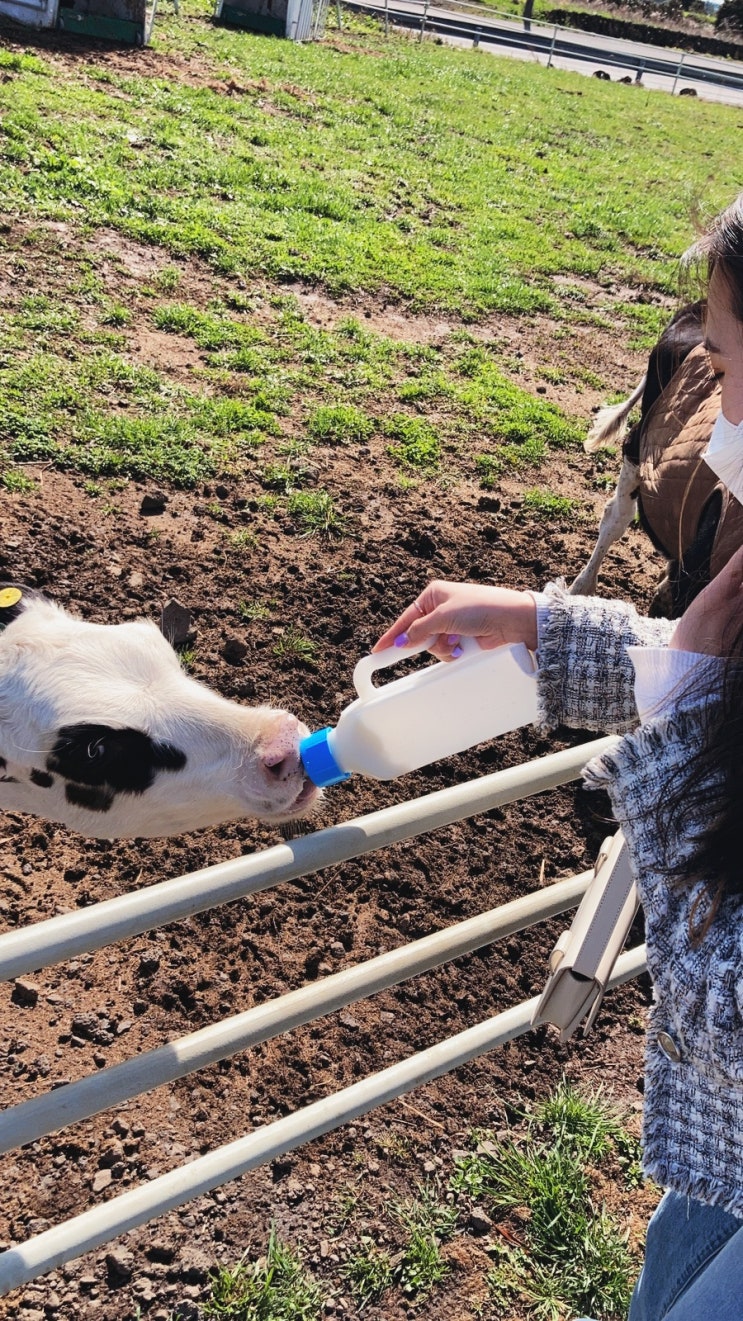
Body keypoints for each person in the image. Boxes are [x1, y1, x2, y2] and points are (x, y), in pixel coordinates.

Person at [373, 190, 743, 1321]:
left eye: (722, 363)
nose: (708, 409)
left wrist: (673, 729)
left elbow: (721, 990)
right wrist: (539, 627)